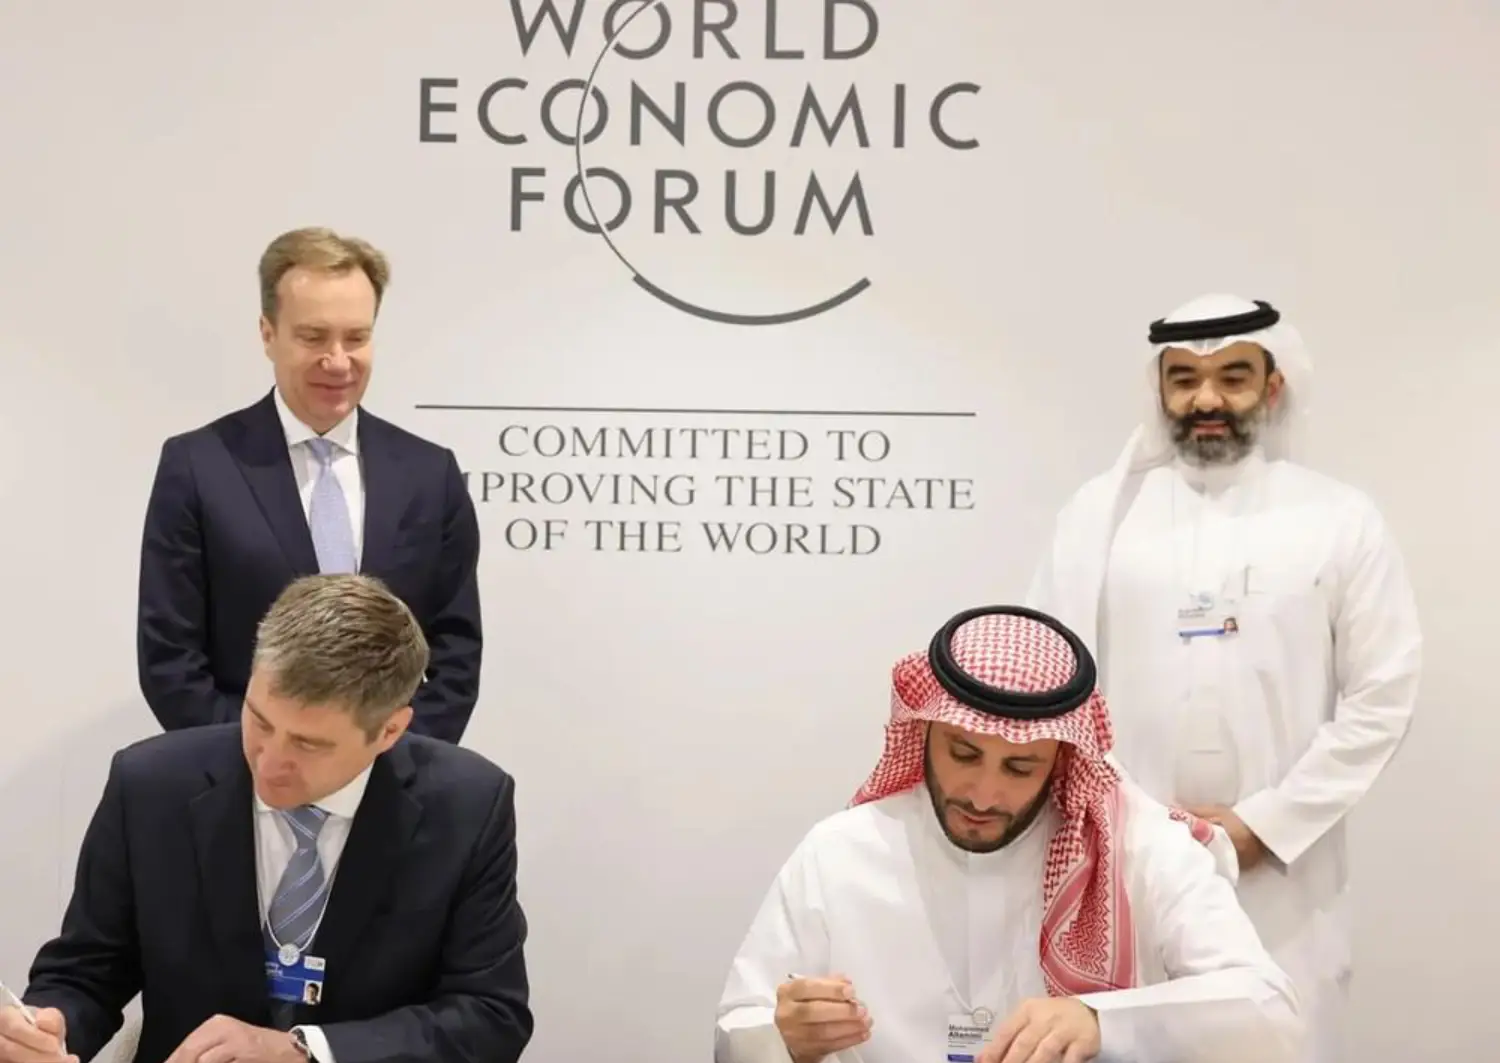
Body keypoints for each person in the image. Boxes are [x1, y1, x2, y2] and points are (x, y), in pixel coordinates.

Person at [1026, 294, 1422, 1062]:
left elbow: (1384, 696)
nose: (1206, 398)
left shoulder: (1339, 519)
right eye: (1184, 379)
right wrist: (1131, 827)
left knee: (1280, 1037)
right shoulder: (1099, 517)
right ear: (1160, 389)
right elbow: (1047, 685)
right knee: (1128, 1036)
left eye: (1232, 377)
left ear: (1272, 386)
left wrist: (1265, 826)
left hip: (1285, 880)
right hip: (1128, 863)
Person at [714, 605, 1303, 1063]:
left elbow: (1271, 1016)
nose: (982, 794)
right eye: (963, 754)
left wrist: (1102, 1020)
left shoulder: (1141, 850)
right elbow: (735, 1031)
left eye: (1019, 768)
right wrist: (782, 1038)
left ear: (1062, 760)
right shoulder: (840, 853)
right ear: (925, 732)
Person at [5, 574, 531, 1063]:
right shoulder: (150, 786)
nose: (270, 762)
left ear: (390, 731)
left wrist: (306, 1052)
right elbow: (87, 971)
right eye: (258, 720)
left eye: (309, 744)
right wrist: (51, 1025)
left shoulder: (467, 807)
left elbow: (490, 1015)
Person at [136, 227, 482, 743]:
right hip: (244, 774)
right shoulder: (197, 466)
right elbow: (170, 658)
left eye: (356, 337)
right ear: (268, 333)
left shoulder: (430, 474)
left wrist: (382, 762)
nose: (338, 361)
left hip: (391, 776)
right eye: (314, 337)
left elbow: (456, 655)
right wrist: (273, 758)